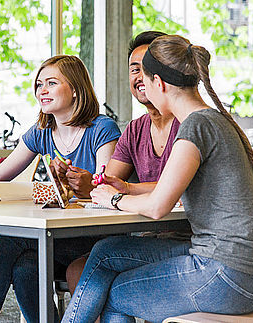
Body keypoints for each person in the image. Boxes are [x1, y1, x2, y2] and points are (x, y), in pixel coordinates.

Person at [62, 35, 253, 323]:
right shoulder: (215, 120)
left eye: (145, 81)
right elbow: (170, 188)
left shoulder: (195, 126)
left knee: (115, 294)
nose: (143, 87)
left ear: (158, 83)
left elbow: (158, 207)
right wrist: (129, 188)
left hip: (224, 274)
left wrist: (112, 198)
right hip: (246, 271)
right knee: (106, 251)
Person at [0, 55, 121, 323]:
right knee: (25, 268)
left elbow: (107, 187)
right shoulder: (42, 131)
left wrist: (86, 184)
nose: (41, 91)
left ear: (76, 89)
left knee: (13, 237)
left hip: (95, 237)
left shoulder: (102, 128)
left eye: (51, 83)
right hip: (57, 238)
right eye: (38, 85)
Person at [63, 30, 184, 289]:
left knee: (101, 269)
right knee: (77, 271)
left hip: (185, 236)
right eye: (133, 69)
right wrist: (85, 181)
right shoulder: (134, 129)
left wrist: (122, 190)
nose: (140, 77)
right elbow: (107, 182)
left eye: (147, 68)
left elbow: (181, 190)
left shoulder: (190, 123)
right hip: (145, 232)